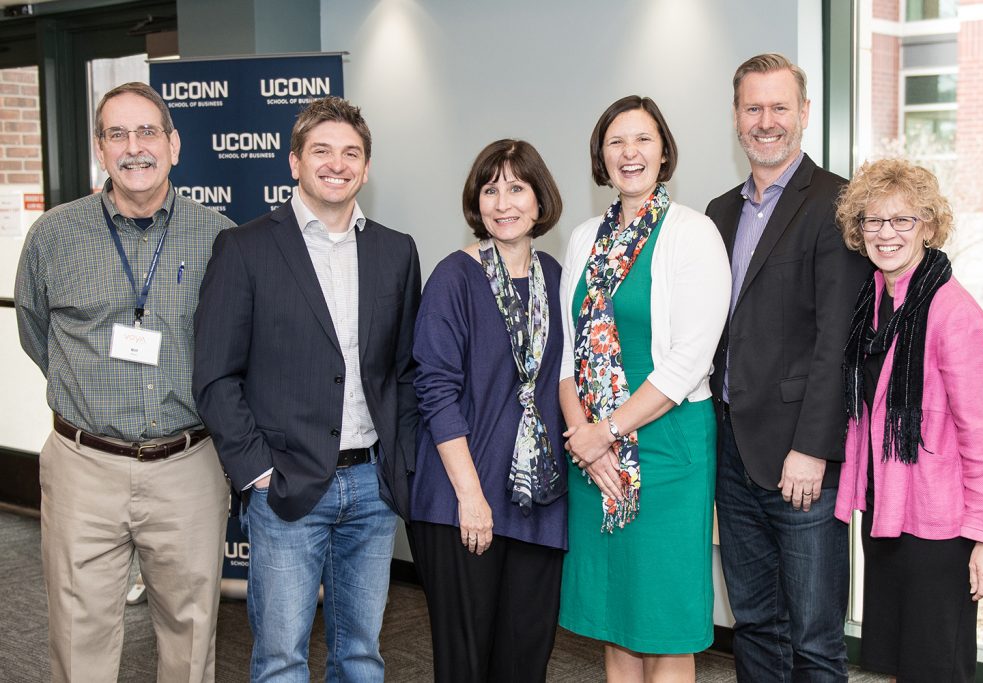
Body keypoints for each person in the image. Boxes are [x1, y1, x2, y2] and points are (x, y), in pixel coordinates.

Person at [192, 97, 421, 682]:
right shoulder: (244, 248)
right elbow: (216, 376)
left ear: (367, 168)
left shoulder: (396, 251)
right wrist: (258, 474)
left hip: (372, 487)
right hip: (286, 488)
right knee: (281, 659)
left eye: (351, 153)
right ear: (294, 162)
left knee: (362, 654)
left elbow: (404, 371)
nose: (336, 164)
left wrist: (400, 463)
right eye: (321, 150)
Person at [14, 82, 233, 682]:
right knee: (77, 636)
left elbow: (238, 349)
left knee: (191, 640)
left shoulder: (220, 237)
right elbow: (37, 336)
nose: (134, 148)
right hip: (84, 466)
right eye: (117, 134)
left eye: (147, 133)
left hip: (188, 465)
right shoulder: (54, 237)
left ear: (174, 144)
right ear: (100, 149)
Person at [705, 53, 873, 681]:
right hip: (732, 453)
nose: (766, 121)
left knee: (815, 640)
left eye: (780, 107)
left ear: (804, 114)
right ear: (736, 118)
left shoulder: (836, 203)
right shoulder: (718, 213)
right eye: (754, 108)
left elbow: (838, 342)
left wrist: (813, 449)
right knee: (755, 626)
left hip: (802, 459)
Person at [558, 95, 731, 681]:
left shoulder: (693, 233)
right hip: (596, 453)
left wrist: (606, 431)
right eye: (616, 142)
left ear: (664, 152)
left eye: (642, 140)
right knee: (616, 619)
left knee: (664, 623)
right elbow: (567, 353)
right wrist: (585, 437)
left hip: (667, 449)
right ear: (601, 157)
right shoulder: (584, 238)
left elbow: (689, 361)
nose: (629, 153)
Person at [834, 158, 983, 681]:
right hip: (887, 517)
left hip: (940, 529)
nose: (886, 234)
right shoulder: (872, 304)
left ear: (928, 226)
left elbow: (979, 437)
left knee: (935, 668)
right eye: (873, 220)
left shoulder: (954, 312)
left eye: (903, 220)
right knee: (895, 665)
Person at [408, 139, 568, 682]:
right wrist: (471, 498)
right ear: (476, 203)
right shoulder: (454, 277)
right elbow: (435, 391)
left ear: (540, 201)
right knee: (466, 666)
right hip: (463, 500)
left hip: (537, 501)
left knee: (526, 662)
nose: (503, 203)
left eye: (517, 188)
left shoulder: (556, 276)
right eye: (490, 189)